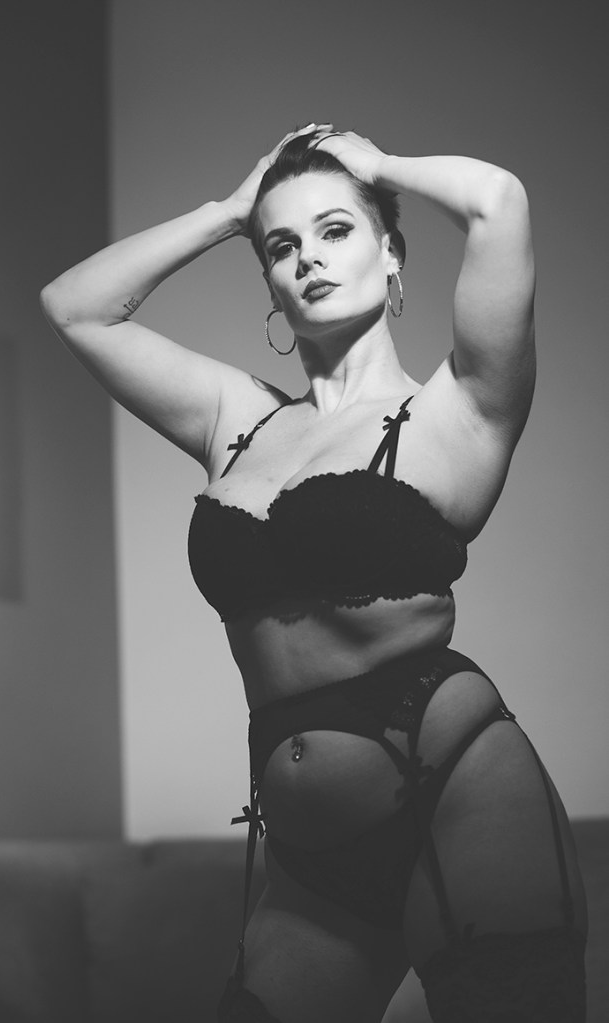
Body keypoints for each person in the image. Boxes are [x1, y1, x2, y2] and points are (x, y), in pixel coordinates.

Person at [41, 123, 588, 1022]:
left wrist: (374, 167)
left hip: (457, 785)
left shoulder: (455, 410)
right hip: (310, 858)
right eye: (282, 246)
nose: (308, 258)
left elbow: (498, 200)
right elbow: (75, 307)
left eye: (336, 229)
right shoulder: (235, 420)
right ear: (269, 281)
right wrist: (232, 210)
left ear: (391, 255)